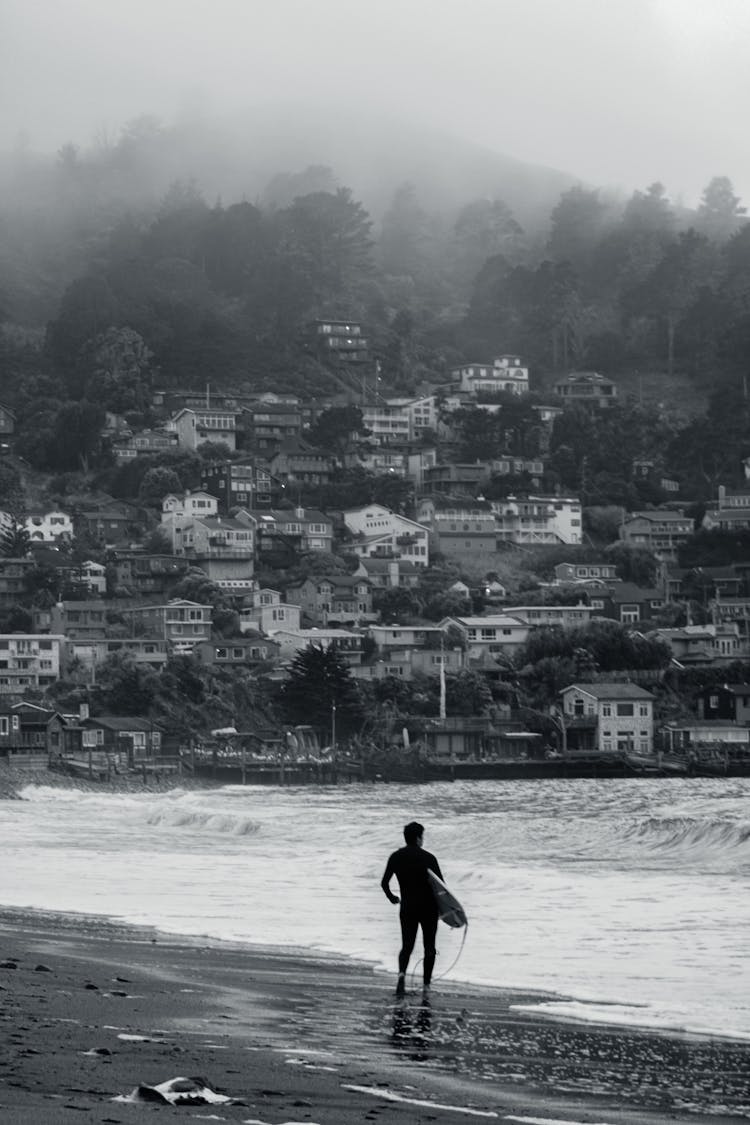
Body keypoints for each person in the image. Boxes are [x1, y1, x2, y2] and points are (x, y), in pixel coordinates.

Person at [381, 821, 443, 998]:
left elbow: (384, 883)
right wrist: (446, 912)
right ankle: (426, 986)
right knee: (429, 947)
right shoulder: (429, 858)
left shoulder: (396, 857)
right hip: (428, 908)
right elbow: (441, 887)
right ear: (418, 838)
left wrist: (393, 898)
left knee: (407, 945)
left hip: (407, 907)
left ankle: (401, 978)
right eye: (422, 836)